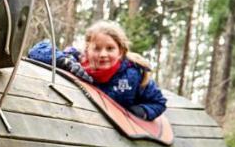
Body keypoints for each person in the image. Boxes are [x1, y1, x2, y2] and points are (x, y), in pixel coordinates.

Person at [28, 20, 168, 120]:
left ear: (120, 51)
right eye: (97, 48)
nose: (103, 54)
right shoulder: (76, 61)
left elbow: (158, 102)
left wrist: (141, 112)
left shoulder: (133, 74)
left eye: (110, 48)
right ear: (87, 49)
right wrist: (65, 62)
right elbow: (37, 50)